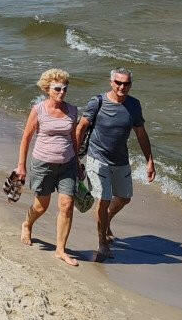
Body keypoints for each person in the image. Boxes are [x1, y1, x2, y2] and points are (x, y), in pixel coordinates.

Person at [80, 68, 156, 262]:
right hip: (97, 158)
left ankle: (106, 221)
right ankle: (102, 243)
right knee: (103, 199)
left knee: (124, 197)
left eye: (126, 83)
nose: (122, 87)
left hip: (120, 159)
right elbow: (81, 127)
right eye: (118, 83)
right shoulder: (97, 102)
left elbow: (141, 133)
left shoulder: (134, 105)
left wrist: (150, 160)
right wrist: (74, 155)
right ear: (111, 82)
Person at [14, 69, 85, 267]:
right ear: (47, 89)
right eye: (57, 88)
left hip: (68, 164)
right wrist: (21, 165)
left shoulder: (72, 110)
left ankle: (60, 250)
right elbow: (26, 137)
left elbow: (73, 138)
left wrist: (78, 163)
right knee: (41, 206)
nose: (62, 92)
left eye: (65, 88)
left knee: (67, 205)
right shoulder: (39, 109)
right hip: (43, 164)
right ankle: (27, 224)